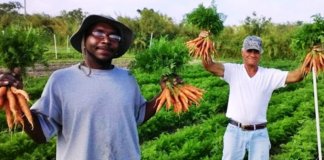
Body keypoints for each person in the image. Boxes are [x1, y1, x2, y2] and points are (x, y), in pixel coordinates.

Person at [1, 14, 171, 160]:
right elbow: (40, 135)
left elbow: (138, 115)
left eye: (114, 37)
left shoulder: (127, 77)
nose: (106, 40)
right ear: (84, 39)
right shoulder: (61, 79)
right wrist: (16, 102)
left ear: (118, 45)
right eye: (98, 33)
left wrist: (164, 93)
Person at [202, 35, 306, 160]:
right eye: (249, 50)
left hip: (259, 133)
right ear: (242, 52)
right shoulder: (233, 71)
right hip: (234, 131)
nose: (252, 54)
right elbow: (209, 65)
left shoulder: (268, 75)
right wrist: (204, 42)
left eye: (256, 51)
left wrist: (311, 56)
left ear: (260, 54)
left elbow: (297, 76)